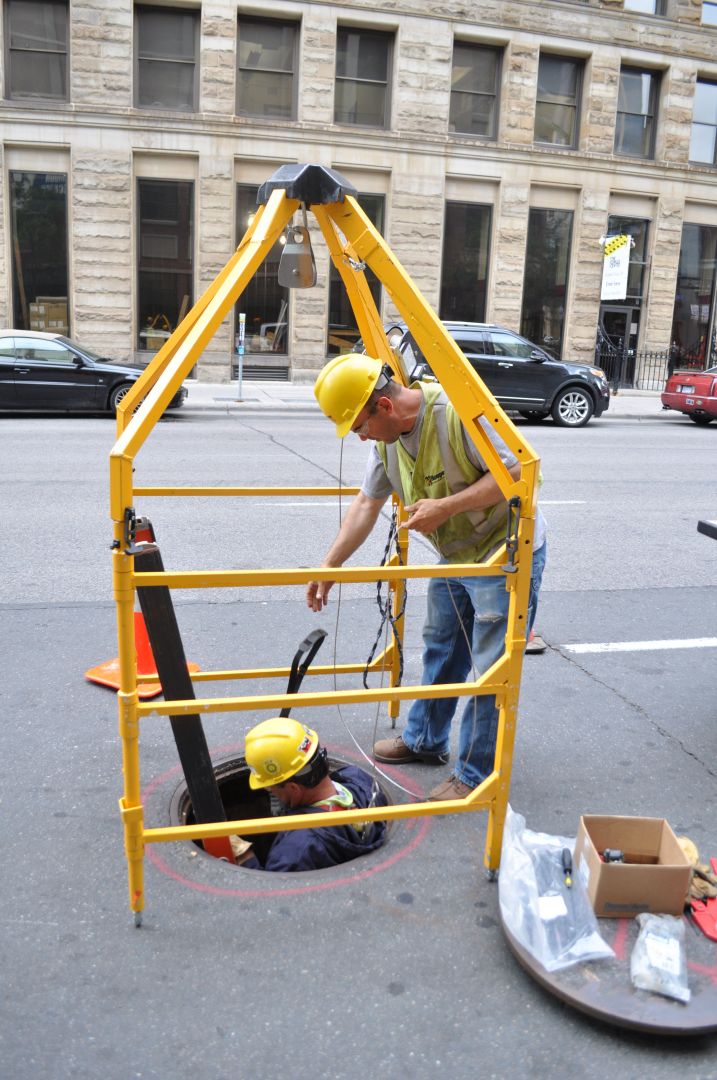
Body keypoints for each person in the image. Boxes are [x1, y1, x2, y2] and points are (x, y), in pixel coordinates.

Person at [308, 353, 547, 801]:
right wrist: (331, 565)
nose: (360, 438)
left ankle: (475, 776)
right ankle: (424, 740)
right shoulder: (386, 440)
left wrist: (446, 507)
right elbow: (365, 504)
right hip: (457, 554)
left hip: (503, 551)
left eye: (358, 426)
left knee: (489, 670)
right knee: (442, 647)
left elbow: (519, 472)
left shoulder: (456, 411)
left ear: (384, 406)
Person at [233, 717, 388, 872]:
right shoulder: (360, 779)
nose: (270, 791)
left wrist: (245, 857)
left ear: (294, 788)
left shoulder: (297, 851)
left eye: (269, 787)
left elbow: (272, 890)